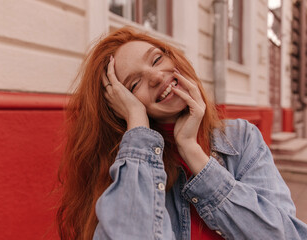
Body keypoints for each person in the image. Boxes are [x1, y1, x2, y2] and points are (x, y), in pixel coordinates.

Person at [56, 27, 307, 240]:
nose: (156, 76)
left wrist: (193, 153)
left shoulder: (242, 138)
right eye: (134, 84)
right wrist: (138, 127)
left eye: (156, 60)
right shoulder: (125, 164)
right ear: (119, 105)